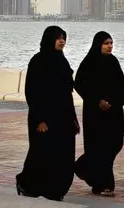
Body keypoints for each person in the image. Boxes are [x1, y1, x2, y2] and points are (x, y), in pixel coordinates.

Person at [16, 26, 80, 202]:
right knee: (41, 154)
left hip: (63, 117)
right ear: (49, 39)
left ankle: (56, 190)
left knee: (64, 155)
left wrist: (74, 119)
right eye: (58, 38)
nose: (62, 41)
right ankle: (27, 184)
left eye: (63, 38)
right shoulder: (38, 61)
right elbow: (32, 92)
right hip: (44, 117)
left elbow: (67, 94)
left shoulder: (62, 61)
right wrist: (40, 119)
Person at [74, 31, 124, 197]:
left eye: (111, 43)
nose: (109, 46)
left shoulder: (113, 61)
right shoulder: (89, 63)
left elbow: (122, 85)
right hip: (95, 114)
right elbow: (79, 84)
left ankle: (81, 166)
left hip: (114, 112)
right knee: (98, 148)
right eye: (106, 43)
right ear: (98, 45)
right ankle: (102, 185)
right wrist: (97, 101)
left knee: (115, 144)